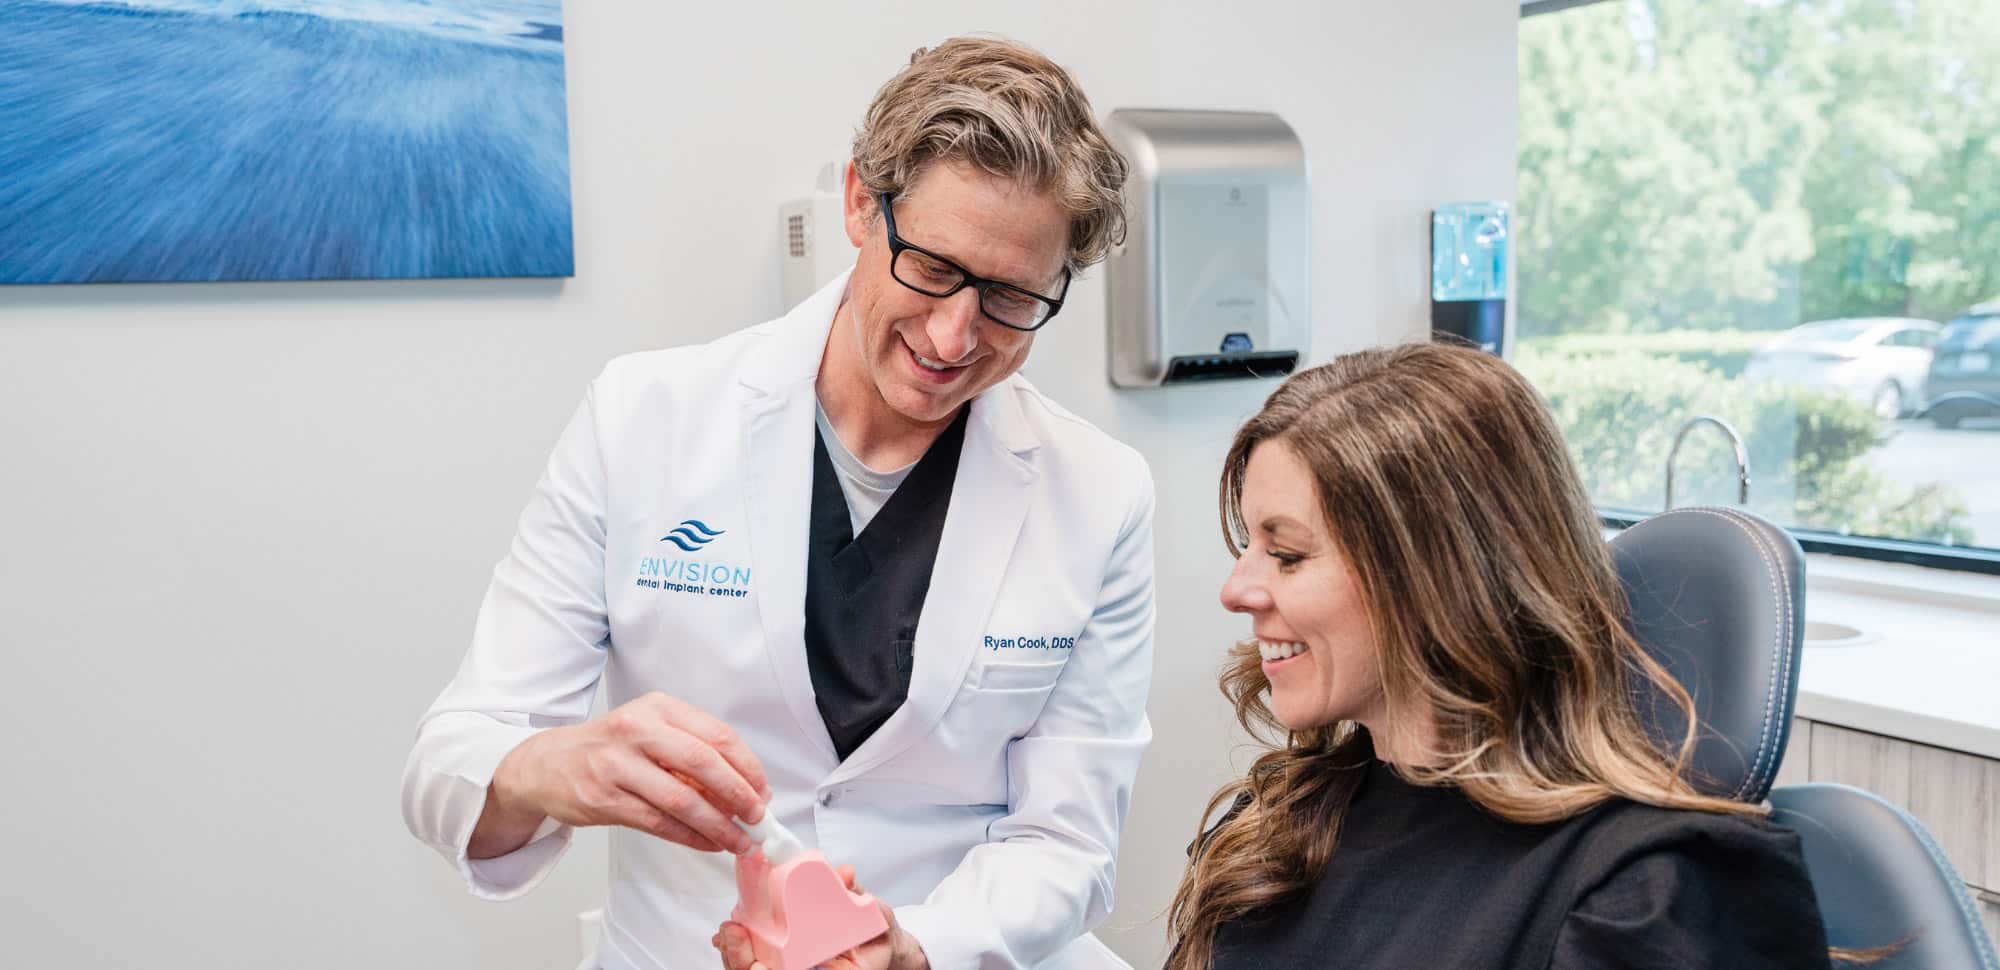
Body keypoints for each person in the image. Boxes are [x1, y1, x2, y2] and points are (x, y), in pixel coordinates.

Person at [400, 36, 1155, 970]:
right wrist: (558, 769)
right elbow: (444, 767)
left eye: (1009, 297)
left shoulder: (1101, 494)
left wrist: (913, 947)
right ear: (856, 205)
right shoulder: (644, 419)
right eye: (933, 267)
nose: (955, 334)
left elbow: (1069, 843)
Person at [1164, 343, 1833, 970]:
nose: (1237, 589)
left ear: (1439, 578)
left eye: (1286, 554)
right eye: (1250, 545)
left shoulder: (1655, 889)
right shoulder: (1288, 815)